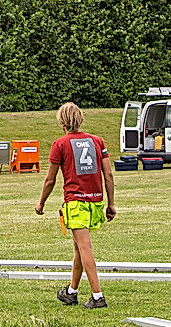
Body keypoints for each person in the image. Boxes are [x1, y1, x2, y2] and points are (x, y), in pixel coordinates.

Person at [34, 102, 116, 309]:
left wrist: (41, 203)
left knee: (85, 248)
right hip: (96, 201)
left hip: (76, 202)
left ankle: (98, 297)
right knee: (78, 249)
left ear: (62, 121)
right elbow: (108, 174)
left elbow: (50, 180)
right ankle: (72, 291)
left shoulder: (59, 144)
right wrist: (111, 203)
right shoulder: (97, 141)